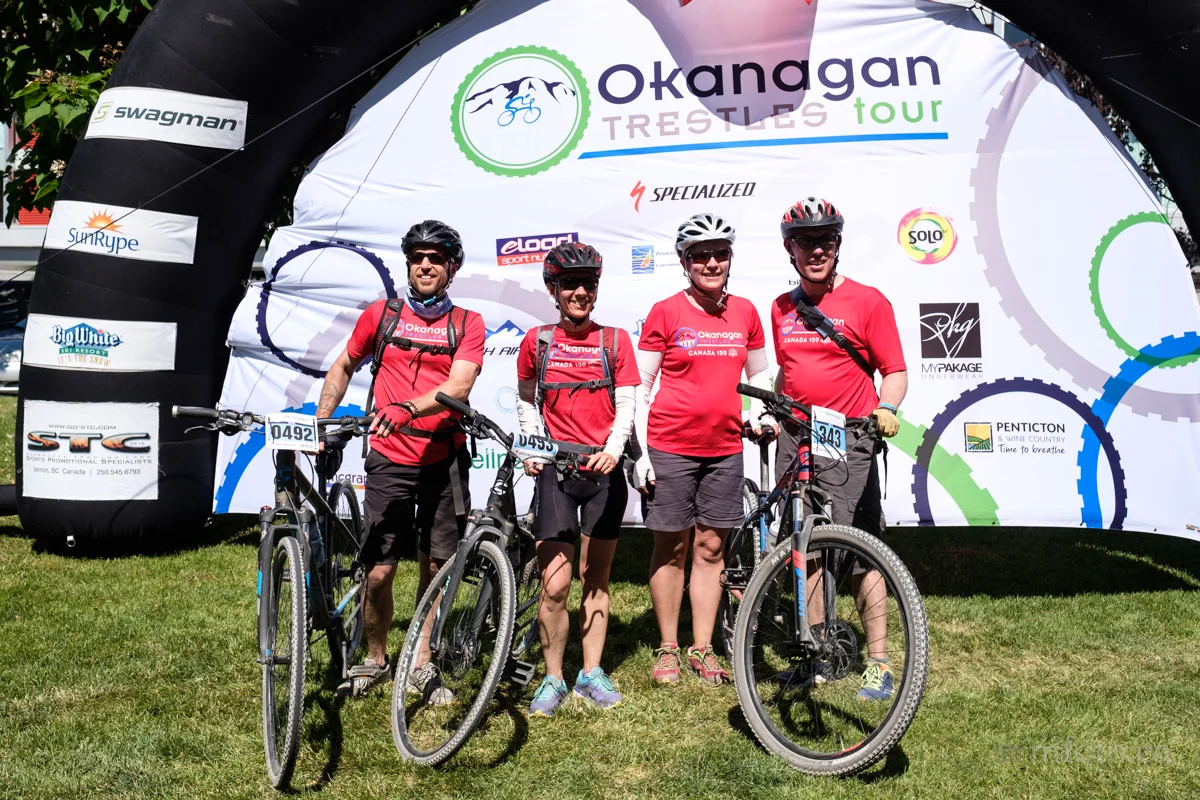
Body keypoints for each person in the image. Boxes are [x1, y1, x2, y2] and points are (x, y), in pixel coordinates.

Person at [315, 220, 486, 700]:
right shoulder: (382, 315)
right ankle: (376, 657)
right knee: (378, 571)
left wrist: (407, 408)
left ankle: (422, 660)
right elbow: (343, 365)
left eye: (436, 258)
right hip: (390, 458)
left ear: (452, 267)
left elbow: (459, 386)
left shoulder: (467, 322)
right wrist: (322, 422)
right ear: (408, 264)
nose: (425, 265)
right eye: (417, 258)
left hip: (444, 459)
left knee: (436, 567)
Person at [768, 197, 906, 701]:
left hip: (848, 437)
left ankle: (878, 663)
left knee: (861, 551)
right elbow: (789, 371)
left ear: (838, 244)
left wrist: (887, 407)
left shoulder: (868, 302)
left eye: (825, 239)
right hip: (797, 438)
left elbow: (894, 370)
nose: (816, 249)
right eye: (805, 241)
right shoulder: (781, 307)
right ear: (791, 249)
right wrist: (773, 412)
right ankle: (817, 656)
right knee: (806, 549)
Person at [631, 213, 774, 686]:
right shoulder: (666, 311)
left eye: (720, 254)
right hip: (670, 445)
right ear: (684, 262)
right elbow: (640, 386)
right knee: (672, 547)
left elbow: (759, 375)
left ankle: (703, 647)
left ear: (730, 258)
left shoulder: (746, 312)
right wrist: (641, 453)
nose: (711, 263)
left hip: (724, 448)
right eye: (700, 256)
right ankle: (668, 646)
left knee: (712, 547)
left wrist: (758, 414)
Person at [515, 241, 639, 716]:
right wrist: (532, 446)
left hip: (603, 471)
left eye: (588, 283)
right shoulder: (538, 341)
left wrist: (614, 450)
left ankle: (590, 673)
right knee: (555, 585)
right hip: (557, 471)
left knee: (596, 578)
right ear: (554, 289)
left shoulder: (615, 341)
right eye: (570, 284)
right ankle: (553, 678)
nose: (580, 292)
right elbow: (526, 398)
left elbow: (626, 403)